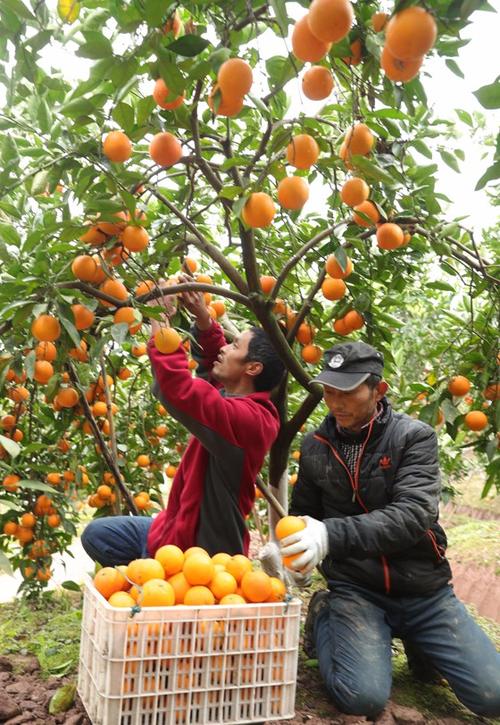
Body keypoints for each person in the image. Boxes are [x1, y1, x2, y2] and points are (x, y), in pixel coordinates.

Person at [279, 341, 500, 720]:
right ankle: (325, 616)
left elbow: (413, 515)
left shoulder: (413, 437)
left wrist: (329, 536)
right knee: (361, 697)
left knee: (493, 696)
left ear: (378, 390)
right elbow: (304, 514)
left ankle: (421, 643)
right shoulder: (315, 446)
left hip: (423, 590)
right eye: (329, 391)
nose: (335, 402)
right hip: (356, 588)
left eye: (347, 392)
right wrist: (295, 556)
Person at [82, 278, 285, 566]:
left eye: (235, 345)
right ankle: (150, 567)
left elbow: (177, 388)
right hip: (173, 527)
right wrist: (203, 318)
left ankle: (155, 578)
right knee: (98, 534)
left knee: (150, 571)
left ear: (253, 367)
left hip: (203, 553)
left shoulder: (252, 421)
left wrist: (160, 320)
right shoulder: (234, 399)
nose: (226, 348)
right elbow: (213, 372)